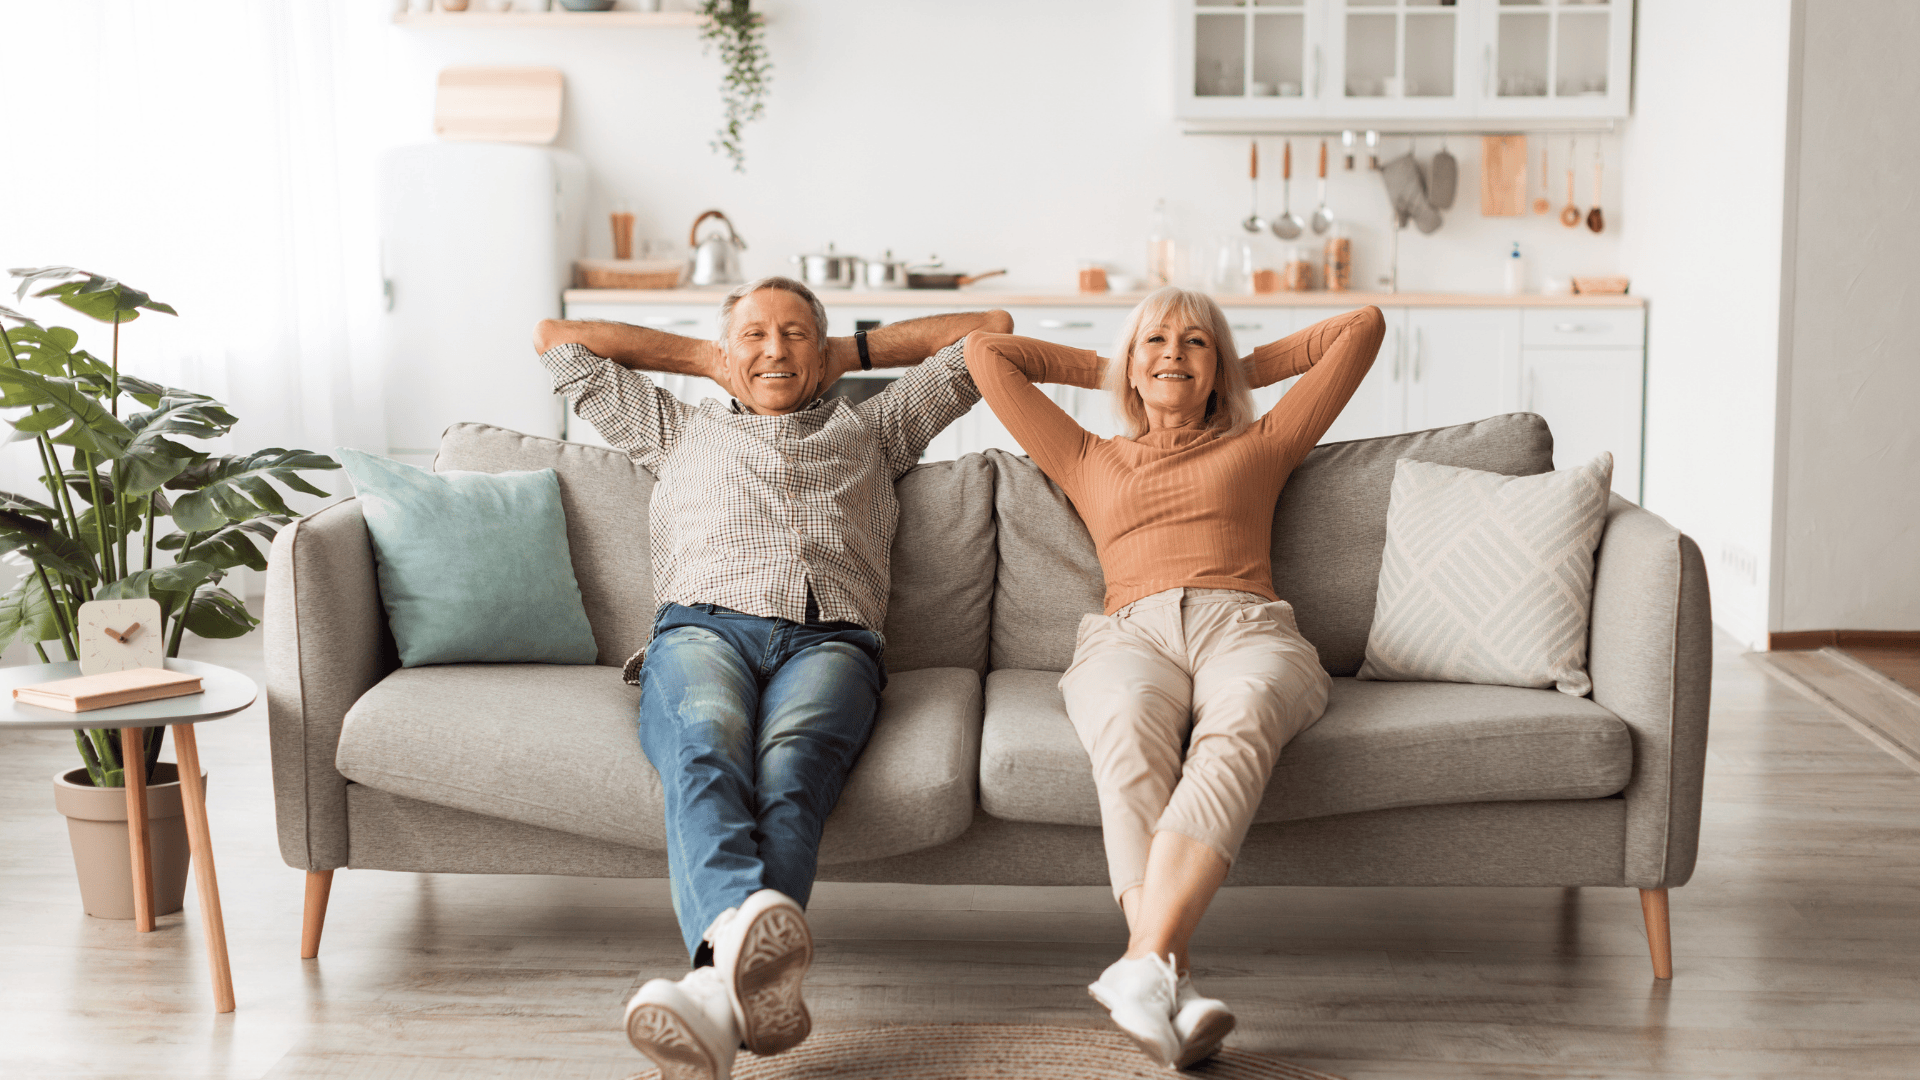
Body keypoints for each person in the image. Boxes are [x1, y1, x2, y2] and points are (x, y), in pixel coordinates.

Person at [536, 278, 1011, 1080]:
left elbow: (988, 332)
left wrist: (846, 354)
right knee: (706, 747)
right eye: (755, 335)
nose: (775, 350)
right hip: (702, 631)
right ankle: (731, 983)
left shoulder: (877, 430)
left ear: (821, 351)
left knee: (792, 773)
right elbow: (556, 339)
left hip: (832, 644)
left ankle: (710, 993)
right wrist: (708, 358)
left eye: (795, 334)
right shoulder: (673, 428)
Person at [963, 290, 1384, 1069]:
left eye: (1194, 343)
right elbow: (986, 354)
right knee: (1122, 720)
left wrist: (1240, 365)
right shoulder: (1088, 455)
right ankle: (1164, 976)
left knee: (1250, 706)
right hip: (1132, 634)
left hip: (1245, 627)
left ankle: (1145, 964)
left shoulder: (1263, 444)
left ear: (1215, 365)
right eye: (1155, 341)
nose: (1172, 354)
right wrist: (1113, 365)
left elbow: (1361, 327)